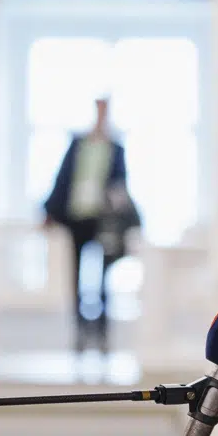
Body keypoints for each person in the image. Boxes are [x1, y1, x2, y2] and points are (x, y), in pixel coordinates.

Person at [43, 96, 140, 353]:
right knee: (76, 278)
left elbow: (121, 185)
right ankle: (80, 331)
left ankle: (102, 334)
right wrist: (49, 211)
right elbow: (63, 178)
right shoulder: (78, 144)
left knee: (103, 280)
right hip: (77, 219)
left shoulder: (115, 148)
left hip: (103, 222)